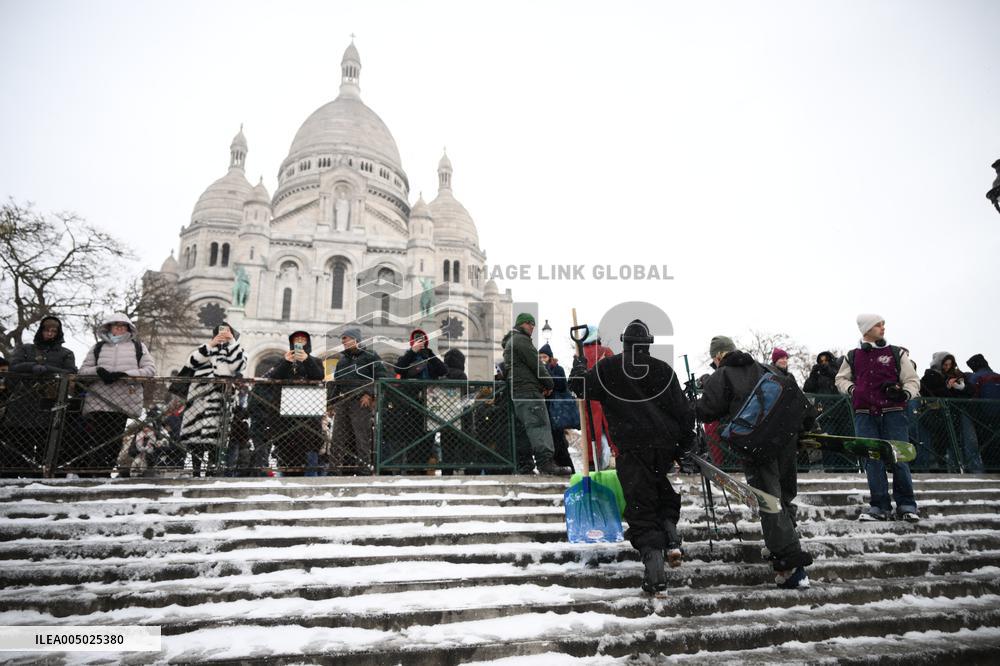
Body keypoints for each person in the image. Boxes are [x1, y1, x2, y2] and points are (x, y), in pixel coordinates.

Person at [570, 320, 694, 594]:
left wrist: (579, 369)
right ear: (648, 344)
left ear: (624, 342)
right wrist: (684, 447)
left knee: (641, 507)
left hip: (631, 447)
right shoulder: (663, 370)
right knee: (661, 491)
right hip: (664, 446)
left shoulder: (610, 367)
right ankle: (670, 535)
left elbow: (580, 387)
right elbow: (685, 414)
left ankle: (655, 573)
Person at [697, 335, 814, 590]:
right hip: (784, 440)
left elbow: (706, 410)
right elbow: (795, 395)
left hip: (756, 445)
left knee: (768, 502)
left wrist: (705, 389)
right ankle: (784, 540)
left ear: (718, 356)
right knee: (783, 497)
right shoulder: (766, 367)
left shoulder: (723, 374)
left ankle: (791, 565)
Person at [835, 314, 921, 522]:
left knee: (899, 457)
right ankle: (879, 505)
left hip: (893, 413)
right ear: (866, 329)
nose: (883, 328)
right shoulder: (853, 355)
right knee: (872, 460)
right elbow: (840, 379)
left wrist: (905, 394)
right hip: (865, 414)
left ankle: (906, 504)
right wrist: (853, 390)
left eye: (883, 324)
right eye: (877, 325)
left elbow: (912, 379)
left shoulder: (896, 353)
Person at [77, 314, 156, 476]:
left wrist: (125, 374)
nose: (119, 328)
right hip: (98, 399)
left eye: (123, 325)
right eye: (115, 325)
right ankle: (94, 472)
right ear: (109, 327)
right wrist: (98, 371)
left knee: (114, 439)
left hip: (123, 400)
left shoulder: (138, 347)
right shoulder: (97, 348)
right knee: (96, 438)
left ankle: (105, 471)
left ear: (128, 328)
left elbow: (150, 370)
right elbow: (83, 371)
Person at [3, 316, 77, 474]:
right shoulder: (25, 349)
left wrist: (47, 369)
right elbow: (14, 366)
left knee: (46, 443)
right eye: (47, 330)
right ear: (41, 331)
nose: (50, 333)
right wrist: (33, 366)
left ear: (58, 333)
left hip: (50, 403)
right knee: (19, 443)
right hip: (22, 402)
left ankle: (40, 476)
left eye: (53, 331)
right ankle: (15, 474)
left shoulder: (66, 353)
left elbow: (70, 372)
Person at [502, 313, 571, 476]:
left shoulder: (510, 343)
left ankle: (525, 465)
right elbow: (536, 365)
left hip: (519, 391)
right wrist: (549, 383)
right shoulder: (521, 340)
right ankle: (546, 463)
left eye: (533, 323)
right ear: (520, 325)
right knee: (539, 425)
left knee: (524, 429)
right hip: (528, 392)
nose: (532, 326)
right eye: (528, 323)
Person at [178, 322, 247, 477]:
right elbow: (191, 362)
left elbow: (238, 366)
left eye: (228, 332)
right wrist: (211, 345)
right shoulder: (205, 349)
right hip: (198, 400)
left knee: (217, 440)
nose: (223, 335)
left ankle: (212, 471)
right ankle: (196, 471)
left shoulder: (236, 351)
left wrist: (232, 343)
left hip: (221, 402)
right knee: (196, 440)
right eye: (220, 332)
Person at [331, 327, 387, 474]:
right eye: (342, 339)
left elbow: (381, 377)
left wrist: (369, 394)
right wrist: (331, 402)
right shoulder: (342, 360)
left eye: (346, 338)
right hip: (343, 402)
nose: (343, 342)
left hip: (361, 402)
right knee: (338, 437)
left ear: (356, 339)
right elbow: (337, 382)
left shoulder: (371, 356)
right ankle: (335, 469)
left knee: (361, 437)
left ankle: (364, 469)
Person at [391, 329, 448, 470]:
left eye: (422, 339)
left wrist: (429, 354)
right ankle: (410, 467)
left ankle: (423, 465)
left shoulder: (429, 355)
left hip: (428, 402)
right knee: (410, 435)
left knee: (428, 436)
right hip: (410, 403)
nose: (419, 342)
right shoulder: (408, 356)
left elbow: (443, 370)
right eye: (417, 339)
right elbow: (398, 368)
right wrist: (412, 352)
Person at [271, 330, 326, 475]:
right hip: (286, 411)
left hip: (309, 411)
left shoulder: (316, 360)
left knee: (310, 444)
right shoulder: (284, 359)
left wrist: (307, 360)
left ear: (308, 342)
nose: (300, 341)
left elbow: (319, 376)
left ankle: (310, 480)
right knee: (286, 444)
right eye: (297, 339)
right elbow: (274, 376)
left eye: (303, 339)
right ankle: (285, 477)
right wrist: (286, 362)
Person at [579, 325, 617, 468]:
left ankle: (591, 463)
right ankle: (616, 460)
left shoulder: (580, 355)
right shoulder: (606, 352)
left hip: (588, 400)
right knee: (613, 432)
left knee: (591, 434)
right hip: (607, 399)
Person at [539, 343, 576, 472]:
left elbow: (561, 384)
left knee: (558, 438)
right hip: (546, 408)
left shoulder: (557, 368)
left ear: (550, 357)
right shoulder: (539, 369)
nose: (542, 359)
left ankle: (567, 466)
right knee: (552, 438)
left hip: (555, 409)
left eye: (544, 356)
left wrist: (548, 371)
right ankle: (557, 464)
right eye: (540, 357)